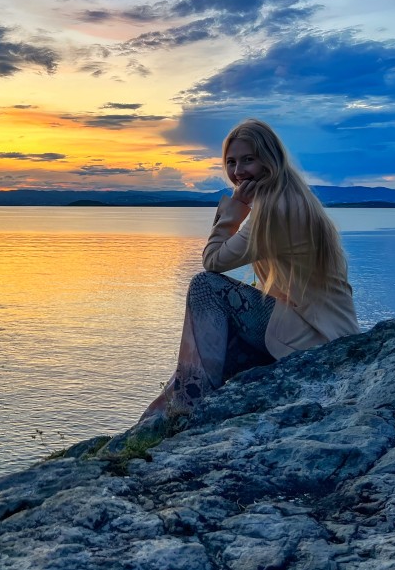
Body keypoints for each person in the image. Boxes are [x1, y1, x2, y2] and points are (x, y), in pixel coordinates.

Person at [141, 118, 358, 421]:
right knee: (203, 363)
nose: (238, 171)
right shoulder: (292, 198)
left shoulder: (275, 210)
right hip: (317, 331)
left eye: (248, 160)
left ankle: (186, 411)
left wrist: (232, 215)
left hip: (316, 339)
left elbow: (213, 261)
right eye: (231, 162)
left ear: (270, 160)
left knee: (206, 286)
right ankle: (166, 414)